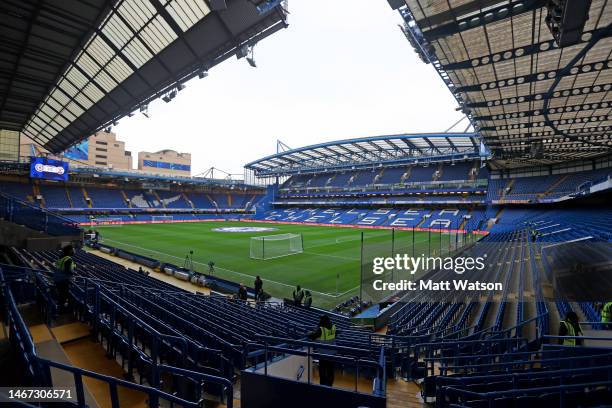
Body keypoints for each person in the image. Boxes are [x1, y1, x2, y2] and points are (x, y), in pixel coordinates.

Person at [308, 315, 338, 386]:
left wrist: (309, 333)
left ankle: (323, 385)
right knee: (330, 370)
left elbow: (313, 336)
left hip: (323, 353)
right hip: (333, 352)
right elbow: (335, 335)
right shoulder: (333, 326)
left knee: (323, 370)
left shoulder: (321, 329)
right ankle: (330, 385)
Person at [54, 245, 76, 311]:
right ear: (69, 251)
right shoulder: (68, 259)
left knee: (61, 295)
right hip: (63, 280)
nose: (74, 251)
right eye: (73, 249)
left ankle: (60, 307)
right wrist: (74, 272)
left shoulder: (61, 257)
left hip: (57, 278)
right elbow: (68, 271)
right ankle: (62, 310)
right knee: (64, 295)